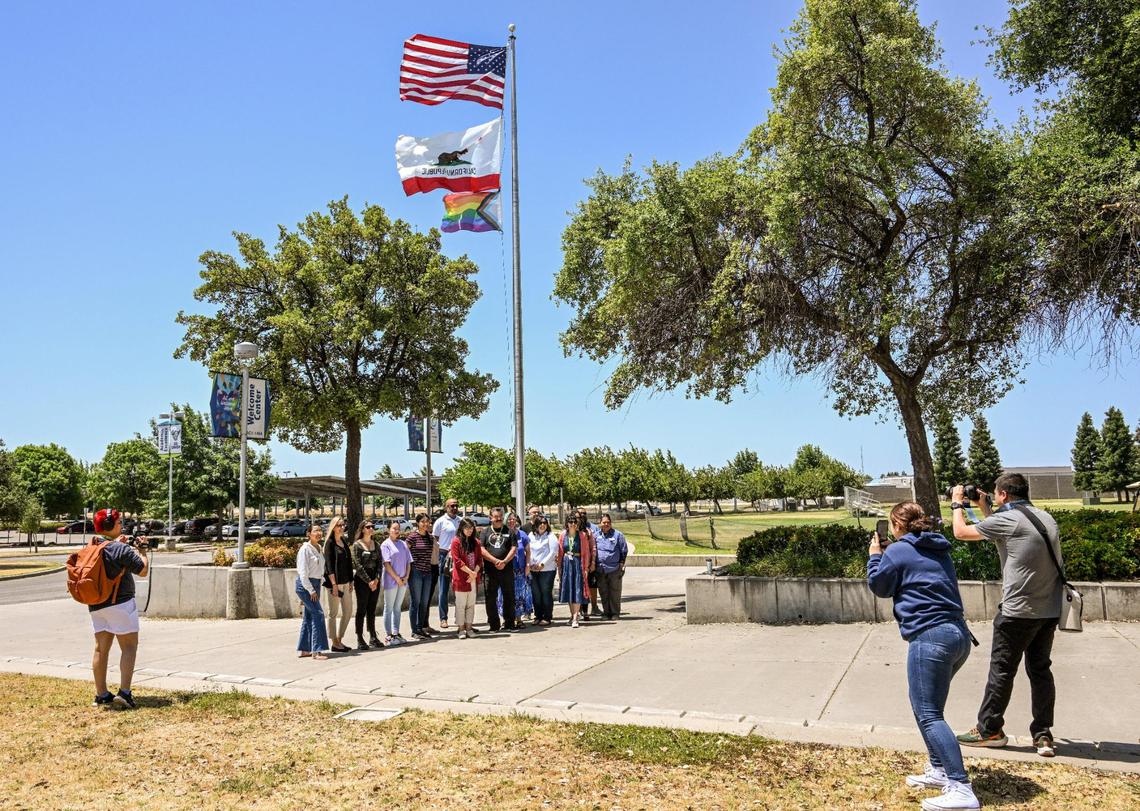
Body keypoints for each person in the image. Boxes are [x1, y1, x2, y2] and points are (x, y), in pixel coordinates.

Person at [868, 502, 978, 811]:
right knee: (927, 707)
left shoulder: (897, 550)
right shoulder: (938, 547)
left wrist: (875, 557)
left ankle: (961, 787)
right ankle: (939, 769)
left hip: (929, 637)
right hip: (958, 635)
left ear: (898, 526)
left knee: (928, 712)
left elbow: (880, 585)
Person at [951, 473, 1063, 758]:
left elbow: (961, 533)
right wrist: (984, 506)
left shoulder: (1008, 520)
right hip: (1048, 610)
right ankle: (1043, 735)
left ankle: (989, 729)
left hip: (1017, 612)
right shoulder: (1043, 517)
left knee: (1002, 670)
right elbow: (1001, 532)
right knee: (1040, 671)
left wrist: (957, 504)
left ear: (1003, 495)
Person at [86, 509, 149, 709]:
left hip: (97, 604)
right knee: (129, 647)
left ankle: (101, 694)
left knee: (100, 649)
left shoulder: (93, 545)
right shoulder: (120, 549)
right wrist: (143, 551)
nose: (122, 524)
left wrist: (120, 543)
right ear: (112, 525)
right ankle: (125, 692)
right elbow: (143, 570)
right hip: (120, 604)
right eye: (119, 522)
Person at [479, 507, 517, 632]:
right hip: (490, 570)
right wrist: (495, 561)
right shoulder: (485, 532)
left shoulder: (509, 531)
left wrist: (504, 561)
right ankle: (494, 624)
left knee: (509, 596)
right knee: (490, 597)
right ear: (490, 518)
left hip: (506, 569)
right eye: (496, 516)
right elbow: (482, 549)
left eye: (500, 516)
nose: (499, 519)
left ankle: (509, 623)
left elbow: (513, 548)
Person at [296, 523, 330, 660]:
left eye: (320, 531)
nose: (319, 533)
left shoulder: (318, 548)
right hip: (307, 586)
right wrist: (310, 590)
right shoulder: (305, 549)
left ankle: (305, 649)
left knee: (309, 617)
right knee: (318, 615)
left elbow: (320, 569)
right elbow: (303, 573)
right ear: (309, 533)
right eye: (315, 531)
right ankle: (317, 650)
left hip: (315, 584)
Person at [350, 521, 384, 650]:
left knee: (372, 609)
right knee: (361, 609)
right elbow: (358, 565)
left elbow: (380, 564)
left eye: (372, 526)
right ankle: (359, 637)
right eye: (368, 527)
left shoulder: (376, 545)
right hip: (362, 581)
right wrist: (368, 581)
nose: (371, 529)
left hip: (375, 581)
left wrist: (376, 579)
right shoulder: (357, 545)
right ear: (362, 529)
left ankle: (373, 636)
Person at [322, 516, 354, 653]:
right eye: (338, 525)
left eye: (343, 525)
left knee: (348, 612)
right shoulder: (329, 543)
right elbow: (329, 566)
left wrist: (351, 580)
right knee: (333, 613)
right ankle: (334, 641)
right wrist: (334, 584)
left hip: (346, 582)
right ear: (333, 527)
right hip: (334, 584)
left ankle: (339, 639)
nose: (341, 527)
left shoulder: (343, 541)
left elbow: (348, 563)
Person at [557, 515, 594, 628]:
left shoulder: (582, 535)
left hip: (578, 564)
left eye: (574, 522)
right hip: (567, 564)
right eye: (570, 522)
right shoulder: (563, 535)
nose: (572, 524)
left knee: (577, 589)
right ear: (567, 524)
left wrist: (586, 568)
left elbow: (587, 552)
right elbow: (560, 552)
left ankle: (575, 616)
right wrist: (559, 568)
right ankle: (572, 614)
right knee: (569, 589)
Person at [497, 512, 532, 629]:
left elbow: (528, 552)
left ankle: (518, 619)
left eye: (514, 519)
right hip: (505, 569)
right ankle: (505, 619)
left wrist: (527, 565)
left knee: (519, 595)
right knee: (503, 594)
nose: (512, 521)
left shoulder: (522, 534)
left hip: (519, 570)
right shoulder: (501, 533)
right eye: (509, 519)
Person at [449, 518, 483, 639]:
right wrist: (470, 572)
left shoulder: (476, 542)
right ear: (461, 529)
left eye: (471, 528)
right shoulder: (456, 542)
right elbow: (457, 561)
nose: (469, 530)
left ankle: (469, 628)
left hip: (473, 578)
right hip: (461, 578)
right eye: (467, 528)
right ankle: (461, 629)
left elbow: (480, 560)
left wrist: (474, 573)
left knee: (471, 604)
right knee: (460, 604)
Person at [406, 513, 437, 639]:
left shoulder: (430, 537)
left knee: (424, 602)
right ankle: (414, 630)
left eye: (427, 521)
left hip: (428, 572)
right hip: (416, 572)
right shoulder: (412, 537)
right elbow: (405, 553)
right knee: (416, 601)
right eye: (422, 521)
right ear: (417, 523)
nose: (425, 524)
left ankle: (420, 628)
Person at [381, 519, 412, 646]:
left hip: (403, 581)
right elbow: (387, 564)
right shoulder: (385, 545)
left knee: (397, 608)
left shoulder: (403, 544)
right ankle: (388, 635)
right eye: (394, 528)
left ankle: (396, 633)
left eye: (398, 528)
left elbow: (408, 562)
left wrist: (406, 577)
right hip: (391, 581)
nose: (396, 530)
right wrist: (397, 578)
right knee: (388, 608)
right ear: (388, 529)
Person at [433, 499, 462, 630]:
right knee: (444, 589)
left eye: (456, 505)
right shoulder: (440, 522)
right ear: (446, 507)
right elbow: (435, 539)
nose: (454, 508)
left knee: (460, 589)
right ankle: (443, 618)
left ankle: (460, 618)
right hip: (444, 555)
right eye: (452, 506)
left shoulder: (461, 521)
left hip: (459, 556)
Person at [595, 513, 628, 620]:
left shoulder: (618, 535)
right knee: (603, 592)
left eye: (608, 522)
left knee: (615, 592)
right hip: (600, 569)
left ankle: (615, 613)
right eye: (604, 522)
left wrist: (621, 564)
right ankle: (606, 613)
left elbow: (624, 550)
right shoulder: (595, 536)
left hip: (614, 569)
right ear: (600, 523)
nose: (606, 524)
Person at [528, 514, 557, 626]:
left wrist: (542, 564)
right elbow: (528, 550)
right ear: (536, 524)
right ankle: (538, 616)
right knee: (536, 594)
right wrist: (531, 564)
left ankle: (547, 616)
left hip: (547, 570)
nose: (542, 525)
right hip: (533, 569)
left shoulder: (551, 536)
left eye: (545, 523)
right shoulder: (531, 535)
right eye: (540, 523)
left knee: (545, 593)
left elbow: (553, 552)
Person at [575, 507, 601, 619]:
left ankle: (594, 606)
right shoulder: (571, 529)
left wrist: (593, 562)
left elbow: (593, 547)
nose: (582, 516)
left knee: (591, 585)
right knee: (578, 587)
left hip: (590, 562)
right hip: (576, 563)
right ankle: (578, 610)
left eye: (583, 514)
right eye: (579, 514)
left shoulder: (592, 529)